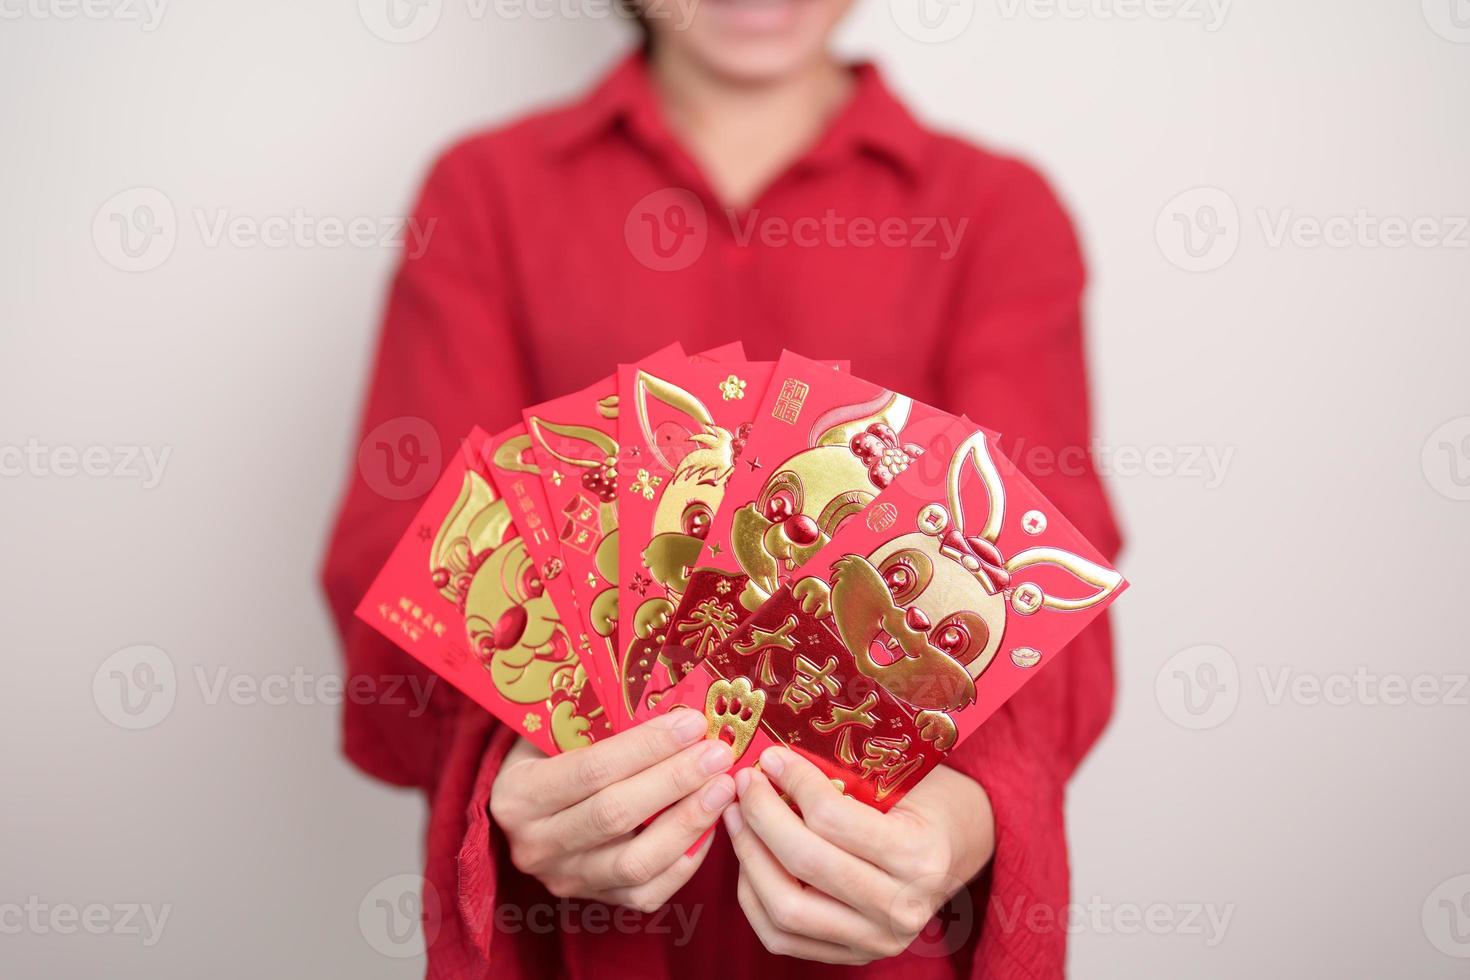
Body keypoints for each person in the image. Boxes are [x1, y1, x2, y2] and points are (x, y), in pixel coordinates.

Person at [321, 0, 1121, 975]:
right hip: (577, 946)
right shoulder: (485, 194)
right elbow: (402, 574)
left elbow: (1050, 603)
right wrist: (506, 765)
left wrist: (961, 817)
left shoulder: (997, 212)